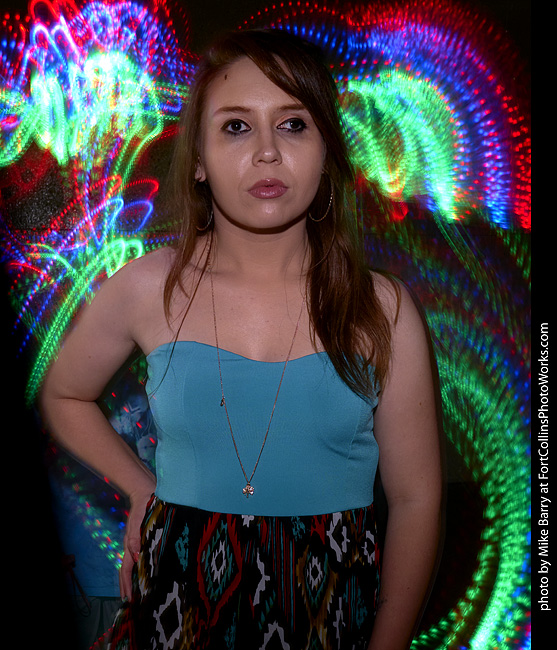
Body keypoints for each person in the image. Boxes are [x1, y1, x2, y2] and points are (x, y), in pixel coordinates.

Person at [40, 28, 442, 650]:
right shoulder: (147, 287)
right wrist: (141, 486)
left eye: (293, 125)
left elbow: (416, 500)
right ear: (198, 159)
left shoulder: (382, 310)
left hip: (330, 615)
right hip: (175, 607)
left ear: (327, 152)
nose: (267, 152)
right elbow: (62, 395)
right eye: (235, 127)